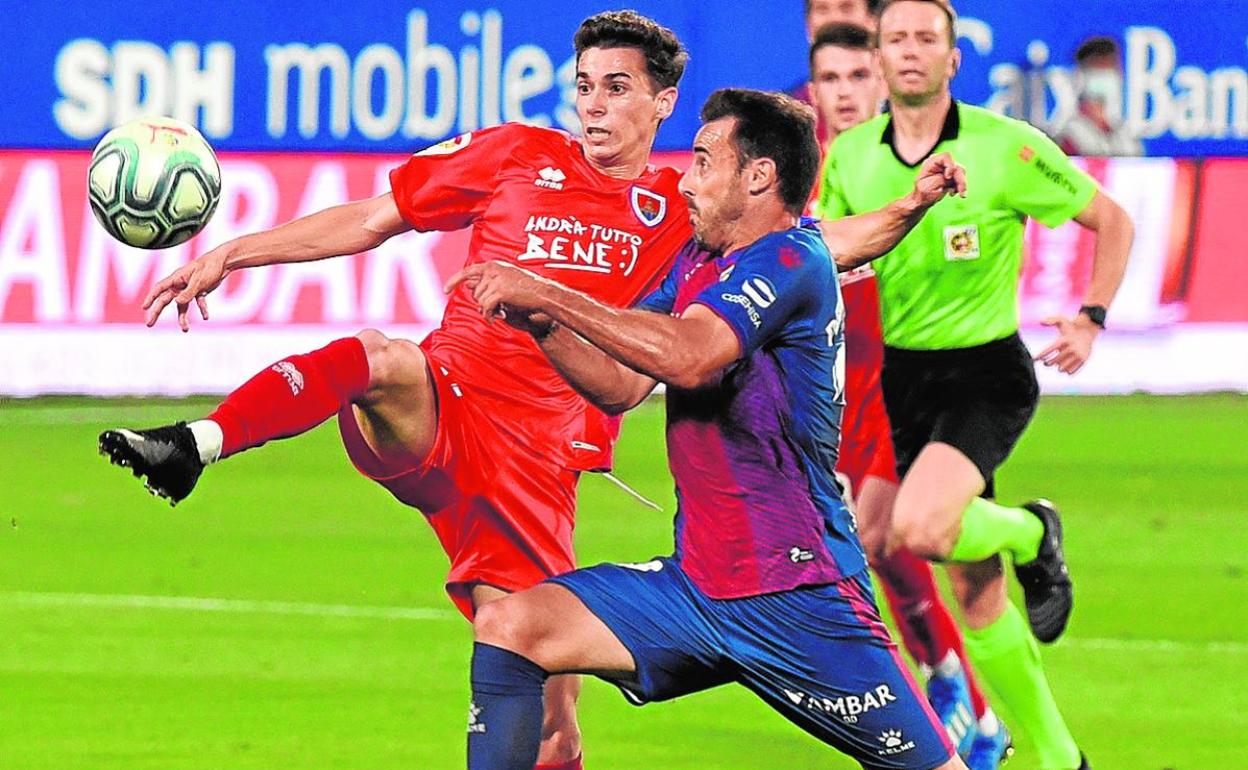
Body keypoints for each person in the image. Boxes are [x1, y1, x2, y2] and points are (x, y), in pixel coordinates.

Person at [97, 10, 964, 768]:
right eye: (582, 84)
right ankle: (198, 444)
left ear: (662, 102)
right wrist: (232, 252)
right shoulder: (515, 155)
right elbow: (370, 217)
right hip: (444, 407)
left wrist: (908, 209)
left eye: (615, 87)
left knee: (544, 706)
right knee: (379, 357)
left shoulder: (687, 213)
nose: (591, 103)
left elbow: (811, 245)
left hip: (537, 471)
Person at [447, 87, 967, 770]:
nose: (685, 180)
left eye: (701, 162)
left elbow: (690, 359)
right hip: (697, 589)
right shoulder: (698, 262)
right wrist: (544, 327)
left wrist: (546, 291)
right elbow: (622, 384)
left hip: (801, 600)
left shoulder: (790, 261)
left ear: (758, 176)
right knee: (512, 627)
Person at [818, 2, 1135, 769]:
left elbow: (1114, 220)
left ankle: (1032, 531)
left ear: (954, 59)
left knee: (915, 531)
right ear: (882, 55)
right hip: (900, 379)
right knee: (974, 585)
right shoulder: (853, 158)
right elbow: (819, 247)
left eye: (928, 38)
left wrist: (1089, 318)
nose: (912, 50)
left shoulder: (1006, 147)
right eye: (898, 38)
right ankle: (1062, 759)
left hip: (985, 372)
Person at [807, 22, 1010, 769]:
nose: (848, 93)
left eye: (860, 76)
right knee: (883, 553)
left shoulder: (907, 167)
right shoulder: (815, 172)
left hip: (905, 387)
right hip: (848, 394)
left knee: (875, 544)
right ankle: (956, 700)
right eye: (832, 80)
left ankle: (953, 710)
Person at [792, 0, 881, 146]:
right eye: (830, 78)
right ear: (813, 92)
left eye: (846, 8)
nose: (834, 20)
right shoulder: (790, 124)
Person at [1053, 36, 1144, 157]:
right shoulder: (1070, 136)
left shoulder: (1125, 137)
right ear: (1081, 76)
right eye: (1099, 67)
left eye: (1111, 66)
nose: (1107, 73)